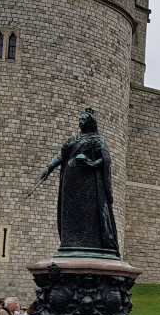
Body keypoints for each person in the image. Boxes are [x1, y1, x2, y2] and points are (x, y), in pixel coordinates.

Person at [38, 108, 119, 258]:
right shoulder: (72, 140)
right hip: (71, 181)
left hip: (89, 183)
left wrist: (93, 163)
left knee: (89, 213)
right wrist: (48, 167)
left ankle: (90, 243)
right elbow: (61, 156)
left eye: (83, 120)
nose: (80, 122)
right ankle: (71, 242)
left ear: (90, 123)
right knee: (71, 212)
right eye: (80, 119)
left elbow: (106, 159)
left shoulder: (97, 140)